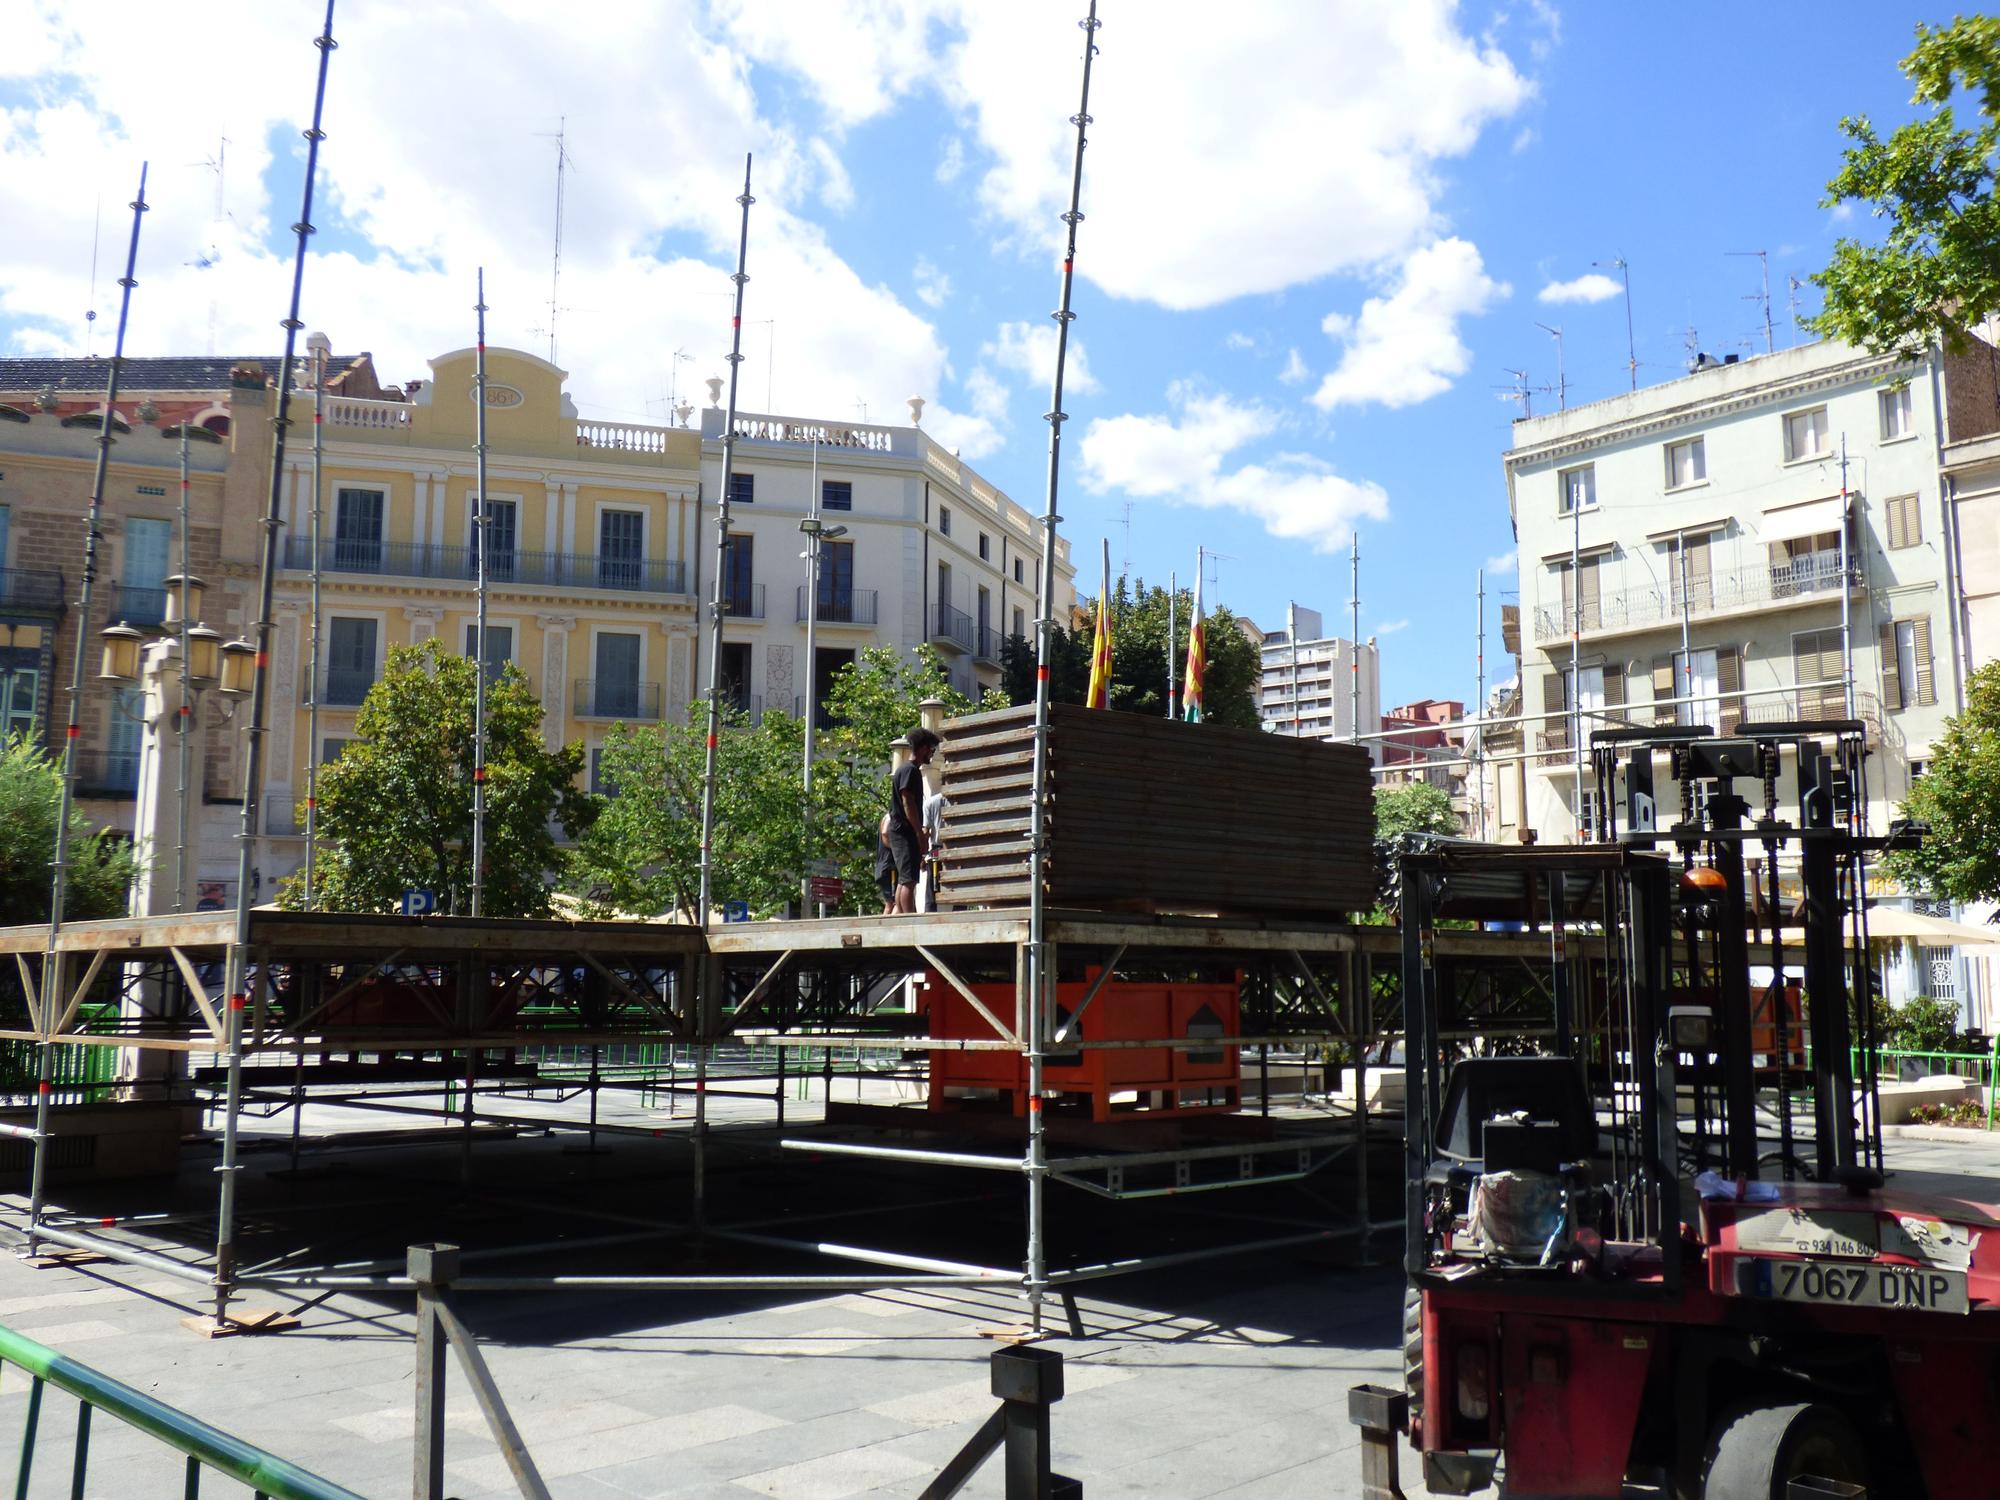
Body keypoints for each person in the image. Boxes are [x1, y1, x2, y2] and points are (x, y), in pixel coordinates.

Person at [886, 727, 939, 914]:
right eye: (932, 749)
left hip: (901, 829)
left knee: (904, 878)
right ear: (924, 748)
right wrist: (919, 833)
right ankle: (910, 919)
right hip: (905, 830)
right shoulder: (910, 771)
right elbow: (908, 801)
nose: (932, 753)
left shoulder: (905, 770)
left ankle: (902, 916)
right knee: (909, 880)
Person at [875, 813, 897, 914]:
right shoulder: (890, 816)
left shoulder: (887, 816)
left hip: (885, 866)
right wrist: (895, 848)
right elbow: (884, 832)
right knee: (894, 903)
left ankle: (886, 926)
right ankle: (887, 927)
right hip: (889, 866)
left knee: (890, 903)